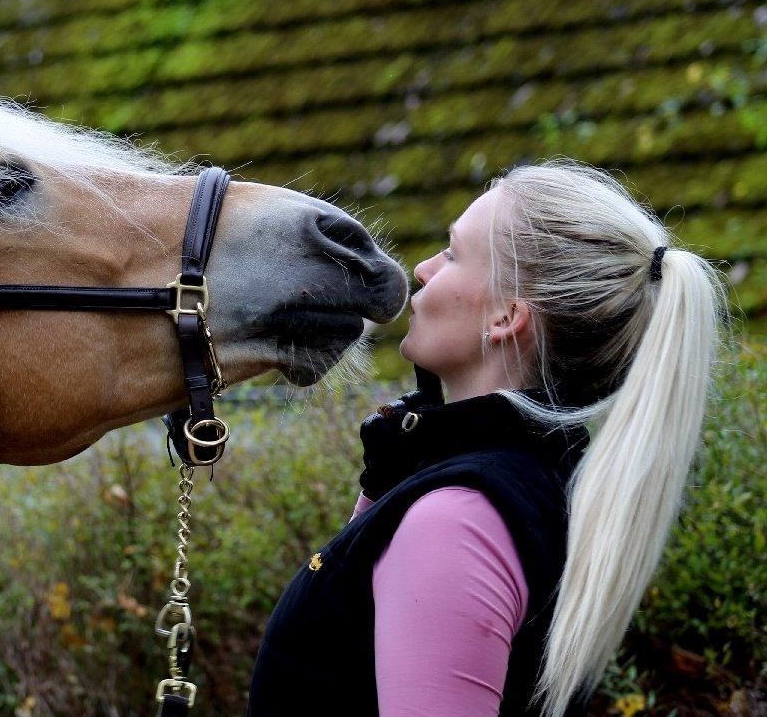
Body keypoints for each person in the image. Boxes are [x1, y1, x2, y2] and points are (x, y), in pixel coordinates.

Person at [247, 158, 731, 717]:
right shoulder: (521, 479)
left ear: (507, 317)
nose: (424, 270)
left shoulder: (455, 521)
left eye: (452, 254)